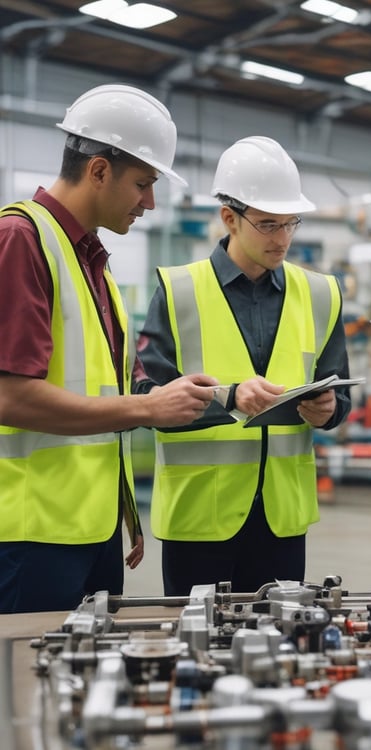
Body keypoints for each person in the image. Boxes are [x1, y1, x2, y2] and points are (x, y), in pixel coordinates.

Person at [0, 84, 218, 614]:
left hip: (88, 528)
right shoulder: (21, 239)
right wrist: (148, 409)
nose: (150, 202)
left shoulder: (89, 258)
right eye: (143, 184)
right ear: (98, 170)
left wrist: (123, 510)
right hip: (31, 532)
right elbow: (10, 397)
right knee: (24, 667)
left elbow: (103, 391)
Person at [132, 136, 352, 596]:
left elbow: (340, 394)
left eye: (290, 223)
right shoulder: (178, 291)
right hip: (200, 517)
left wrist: (330, 410)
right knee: (199, 637)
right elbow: (146, 396)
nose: (283, 238)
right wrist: (229, 398)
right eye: (269, 224)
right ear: (229, 217)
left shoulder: (321, 294)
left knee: (281, 634)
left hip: (282, 517)